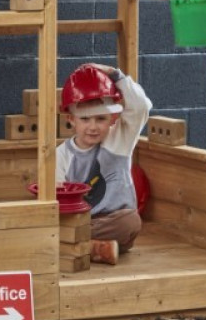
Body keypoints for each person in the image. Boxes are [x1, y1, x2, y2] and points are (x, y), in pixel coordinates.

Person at [57, 63, 152, 265]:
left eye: (101, 119)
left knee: (130, 222)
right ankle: (94, 248)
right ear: (71, 119)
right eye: (85, 119)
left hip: (115, 222)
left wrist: (116, 75)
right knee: (52, 227)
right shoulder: (62, 155)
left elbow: (141, 107)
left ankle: (75, 245)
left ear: (112, 118)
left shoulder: (119, 140)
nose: (93, 127)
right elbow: (57, 198)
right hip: (79, 221)